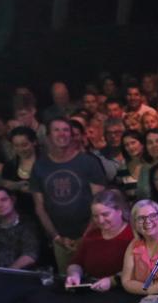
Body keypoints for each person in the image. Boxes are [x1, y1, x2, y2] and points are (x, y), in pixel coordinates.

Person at [31, 117, 107, 273]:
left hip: (93, 235)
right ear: (48, 136)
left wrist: (85, 236)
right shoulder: (39, 166)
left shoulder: (88, 162)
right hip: (60, 240)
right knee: (69, 285)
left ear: (72, 135)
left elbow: (100, 202)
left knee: (98, 280)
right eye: (56, 130)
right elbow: (40, 207)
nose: (62, 134)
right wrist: (57, 237)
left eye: (66, 130)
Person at [64, 189, 134, 292]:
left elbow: (140, 269)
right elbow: (76, 262)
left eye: (105, 214)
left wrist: (112, 281)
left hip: (123, 291)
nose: (100, 220)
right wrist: (74, 275)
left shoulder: (133, 235)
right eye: (96, 216)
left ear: (119, 212)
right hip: (93, 290)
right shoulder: (92, 235)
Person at [0, 186, 40, 269]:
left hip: (19, 274)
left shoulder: (27, 223)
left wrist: (7, 272)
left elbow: (30, 255)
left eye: (3, 200)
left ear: (13, 200)